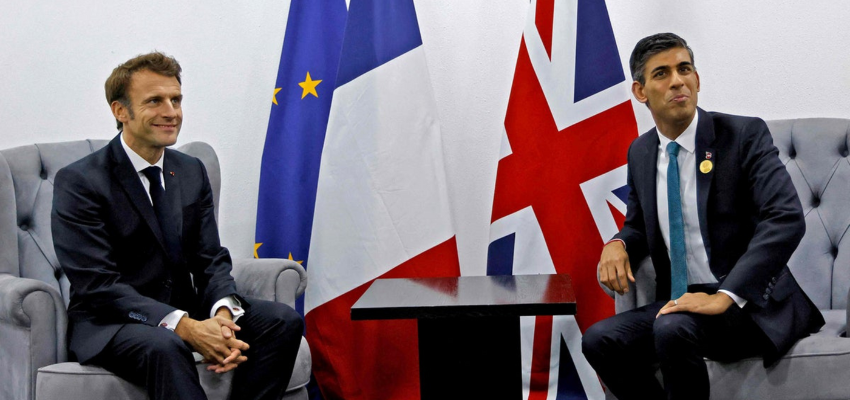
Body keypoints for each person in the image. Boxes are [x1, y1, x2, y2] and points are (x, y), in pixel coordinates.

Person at [581, 33, 824, 400]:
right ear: (640, 92)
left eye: (685, 69)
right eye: (662, 73)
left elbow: (785, 217)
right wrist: (616, 243)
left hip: (749, 306)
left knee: (672, 330)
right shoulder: (642, 151)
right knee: (599, 340)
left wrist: (725, 294)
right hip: (682, 302)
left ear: (697, 80)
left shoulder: (742, 135)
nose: (677, 80)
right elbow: (638, 225)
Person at [52, 52, 303, 400]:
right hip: (111, 321)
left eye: (176, 99)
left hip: (187, 307)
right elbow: (99, 285)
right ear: (120, 111)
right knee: (167, 345)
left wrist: (223, 315)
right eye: (155, 101)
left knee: (281, 321)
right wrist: (185, 326)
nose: (171, 112)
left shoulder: (190, 170)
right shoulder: (80, 181)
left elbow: (211, 259)